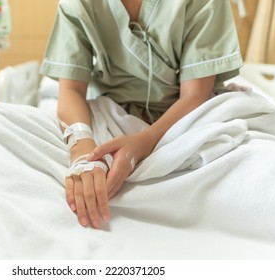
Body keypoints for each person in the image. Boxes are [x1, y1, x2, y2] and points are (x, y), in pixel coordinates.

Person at [39, 0, 243, 229]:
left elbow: (195, 95)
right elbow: (71, 91)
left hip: (184, 119)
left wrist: (142, 143)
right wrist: (83, 150)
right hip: (106, 114)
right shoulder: (79, 4)